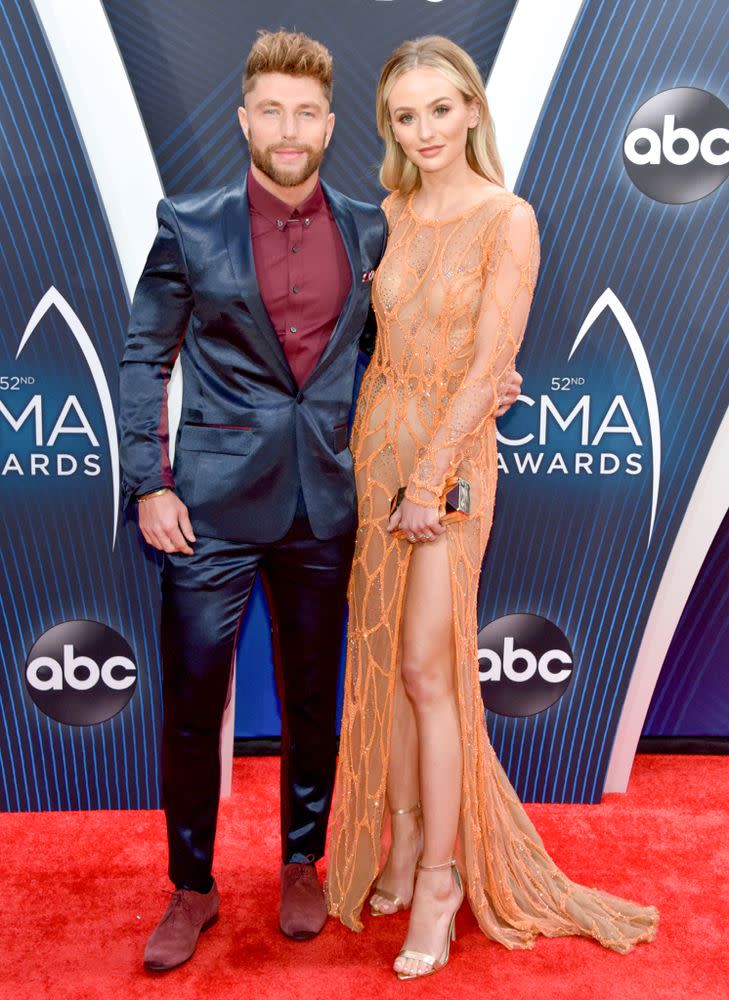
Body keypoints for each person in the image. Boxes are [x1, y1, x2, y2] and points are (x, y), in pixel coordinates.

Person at [119, 27, 526, 972]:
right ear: (245, 119)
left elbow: (407, 343)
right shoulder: (189, 221)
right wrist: (150, 482)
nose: (289, 128)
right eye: (271, 110)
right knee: (190, 704)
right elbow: (146, 357)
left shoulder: (373, 221)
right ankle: (191, 886)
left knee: (316, 699)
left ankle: (302, 862)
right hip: (208, 507)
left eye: (306, 112)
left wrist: (486, 384)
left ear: (332, 123)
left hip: (338, 500)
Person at [325, 35, 659, 980]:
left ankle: (440, 875)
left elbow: (486, 363)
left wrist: (430, 479)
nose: (424, 130)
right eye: (404, 116)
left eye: (440, 109)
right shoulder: (386, 213)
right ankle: (397, 840)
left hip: (451, 460)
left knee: (432, 669)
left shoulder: (507, 217)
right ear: (389, 127)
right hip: (375, 443)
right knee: (386, 659)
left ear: (471, 108)